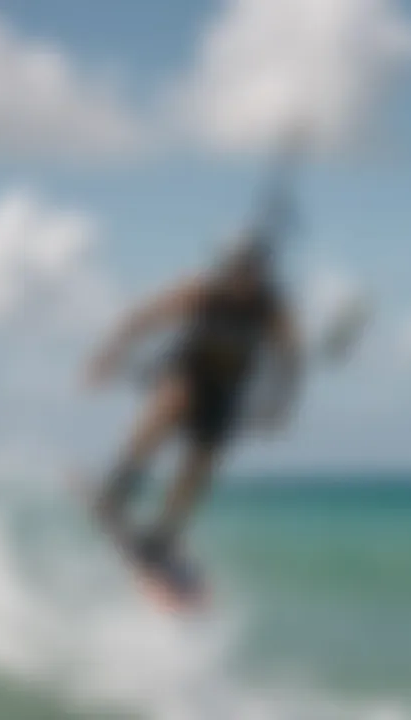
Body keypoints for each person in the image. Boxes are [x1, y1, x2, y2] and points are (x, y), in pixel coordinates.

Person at [82, 232, 303, 576]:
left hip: (226, 389)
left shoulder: (271, 311)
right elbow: (140, 319)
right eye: (237, 271)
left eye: (252, 272)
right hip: (187, 372)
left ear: (262, 274)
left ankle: (164, 534)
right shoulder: (201, 292)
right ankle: (121, 485)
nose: (243, 279)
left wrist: (281, 407)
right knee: (170, 403)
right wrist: (107, 356)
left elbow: (292, 362)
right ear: (226, 269)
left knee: (203, 459)